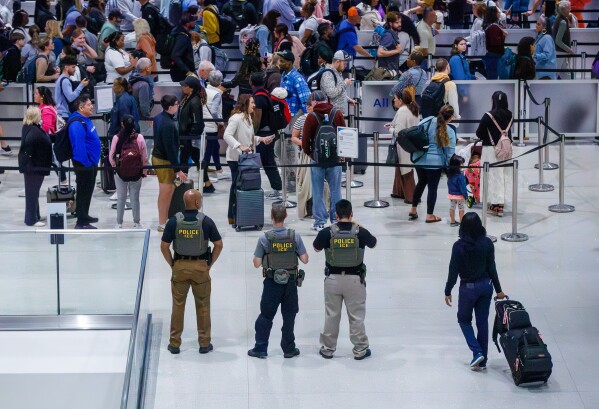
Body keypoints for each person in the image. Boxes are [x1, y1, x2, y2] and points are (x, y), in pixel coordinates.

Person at [160, 189, 224, 355]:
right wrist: (209, 264)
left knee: (178, 306)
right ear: (197, 203)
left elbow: (164, 246)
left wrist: (173, 264)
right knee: (203, 305)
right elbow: (218, 244)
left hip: (179, 266)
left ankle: (174, 344)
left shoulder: (174, 221)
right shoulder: (206, 221)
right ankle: (204, 343)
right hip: (200, 268)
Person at [313, 199, 377, 360]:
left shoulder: (327, 232)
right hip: (355, 280)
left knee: (331, 315)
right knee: (356, 316)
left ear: (335, 214)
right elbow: (373, 243)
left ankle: (327, 348)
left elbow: (316, 248)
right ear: (351, 214)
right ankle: (360, 348)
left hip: (333, 280)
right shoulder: (360, 232)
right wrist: (359, 227)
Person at [445, 212, 506, 370]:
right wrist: (499, 290)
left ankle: (477, 351)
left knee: (464, 320)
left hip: (468, 288)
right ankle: (483, 360)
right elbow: (492, 267)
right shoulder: (487, 243)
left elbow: (453, 271)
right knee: (482, 323)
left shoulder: (458, 247)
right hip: (486, 287)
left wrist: (448, 290)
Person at [247, 203, 309, 359]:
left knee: (266, 316)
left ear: (272, 217)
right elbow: (305, 259)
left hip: (271, 283)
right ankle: (289, 348)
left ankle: (261, 348)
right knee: (289, 316)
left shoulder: (265, 238)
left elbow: (256, 263)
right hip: (290, 283)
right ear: (286, 217)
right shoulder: (295, 236)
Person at [223, 94, 273, 225]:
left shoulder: (248, 118)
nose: (254, 105)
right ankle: (232, 215)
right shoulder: (236, 118)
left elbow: (249, 137)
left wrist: (261, 139)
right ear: (245, 104)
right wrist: (239, 146)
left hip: (247, 158)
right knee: (236, 186)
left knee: (244, 185)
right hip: (235, 158)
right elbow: (226, 135)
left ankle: (242, 214)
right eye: (252, 103)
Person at [301, 90, 345, 231]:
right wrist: (341, 155)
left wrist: (312, 155)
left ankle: (319, 222)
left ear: (313, 102)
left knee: (318, 190)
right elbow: (344, 134)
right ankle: (336, 219)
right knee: (336, 190)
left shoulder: (311, 116)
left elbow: (304, 142)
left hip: (318, 160)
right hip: (335, 159)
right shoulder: (337, 113)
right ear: (326, 100)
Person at [409, 104, 456, 224]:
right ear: (450, 118)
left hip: (419, 159)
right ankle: (429, 215)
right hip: (435, 163)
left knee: (421, 182)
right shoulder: (449, 131)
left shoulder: (427, 120)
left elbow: (416, 131)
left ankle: (413, 209)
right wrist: (448, 167)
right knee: (432, 187)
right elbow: (450, 153)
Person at [152, 95, 188, 232]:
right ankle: (162, 222)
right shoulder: (168, 124)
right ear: (170, 107)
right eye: (177, 104)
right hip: (164, 161)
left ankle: (164, 219)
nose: (178, 106)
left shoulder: (158, 118)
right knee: (165, 192)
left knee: (169, 189)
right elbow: (170, 148)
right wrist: (177, 169)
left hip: (161, 158)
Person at [475, 91, 513, 218]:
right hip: (506, 149)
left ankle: (495, 205)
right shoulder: (510, 115)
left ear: (493, 101)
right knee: (503, 175)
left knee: (491, 176)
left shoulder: (488, 115)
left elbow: (479, 133)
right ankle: (501, 203)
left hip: (490, 149)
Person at [109, 114, 148, 228]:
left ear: (122, 124)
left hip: (120, 173)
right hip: (136, 173)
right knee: (135, 198)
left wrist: (116, 167)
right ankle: (136, 222)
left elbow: (111, 156)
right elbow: (144, 157)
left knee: (121, 198)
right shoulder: (139, 137)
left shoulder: (117, 138)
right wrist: (143, 170)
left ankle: (119, 223)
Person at [69, 95, 101, 229]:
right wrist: (87, 164)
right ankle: (81, 222)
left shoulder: (85, 119)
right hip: (84, 165)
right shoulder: (77, 123)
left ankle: (85, 215)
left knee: (88, 191)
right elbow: (79, 147)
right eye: (88, 104)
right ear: (81, 108)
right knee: (83, 192)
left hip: (91, 163)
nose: (91, 106)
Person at [18, 107, 52, 227]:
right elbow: (29, 148)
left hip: (34, 166)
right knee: (32, 192)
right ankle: (31, 219)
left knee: (34, 192)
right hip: (33, 167)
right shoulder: (33, 131)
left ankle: (34, 215)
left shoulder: (30, 128)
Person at [251, 72, 283, 198]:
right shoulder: (266, 94)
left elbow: (257, 118)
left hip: (264, 133)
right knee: (268, 160)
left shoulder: (258, 98)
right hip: (270, 131)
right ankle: (277, 187)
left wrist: (252, 132)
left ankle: (277, 188)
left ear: (251, 82)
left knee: (266, 161)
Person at [386, 86, 419, 204]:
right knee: (403, 168)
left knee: (406, 171)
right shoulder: (413, 109)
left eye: (395, 98)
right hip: (412, 144)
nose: (393, 100)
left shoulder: (402, 111)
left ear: (401, 100)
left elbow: (398, 132)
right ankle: (398, 192)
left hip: (403, 145)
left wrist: (390, 129)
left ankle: (412, 197)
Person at [202, 70, 224, 177]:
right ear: (219, 82)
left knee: (215, 146)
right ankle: (204, 173)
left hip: (204, 124)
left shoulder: (204, 90)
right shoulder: (217, 94)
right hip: (212, 125)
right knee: (209, 150)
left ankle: (218, 167)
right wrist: (219, 122)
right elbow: (214, 111)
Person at [424, 59, 461, 124]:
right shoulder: (450, 84)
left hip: (434, 119)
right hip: (447, 121)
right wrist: (457, 118)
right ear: (447, 67)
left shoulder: (433, 81)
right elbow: (453, 104)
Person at [320, 50, 356, 117]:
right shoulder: (328, 74)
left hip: (338, 114)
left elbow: (339, 91)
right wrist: (345, 83)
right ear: (338, 61)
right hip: (331, 114)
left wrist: (348, 99)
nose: (346, 66)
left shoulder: (337, 72)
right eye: (344, 63)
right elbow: (332, 93)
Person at [278, 49, 311, 118]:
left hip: (294, 117)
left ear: (289, 63)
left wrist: (308, 118)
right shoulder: (283, 75)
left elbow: (306, 99)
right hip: (285, 115)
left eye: (282, 61)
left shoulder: (297, 78)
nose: (279, 63)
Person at [55, 55, 89, 119]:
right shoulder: (65, 81)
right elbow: (70, 97)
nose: (75, 70)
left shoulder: (62, 79)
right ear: (66, 67)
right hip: (64, 114)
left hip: (63, 113)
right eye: (73, 67)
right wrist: (81, 85)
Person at [170, 11, 197, 82]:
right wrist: (187, 71)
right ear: (187, 23)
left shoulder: (180, 34)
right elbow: (175, 56)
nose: (195, 22)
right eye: (193, 20)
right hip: (181, 74)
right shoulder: (182, 37)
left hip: (180, 72)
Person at [552, 1, 575, 79]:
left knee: (565, 74)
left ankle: (570, 88)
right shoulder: (563, 22)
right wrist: (569, 49)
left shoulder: (558, 18)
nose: (570, 9)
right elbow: (558, 40)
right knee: (556, 74)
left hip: (560, 52)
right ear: (564, 9)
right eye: (569, 8)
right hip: (560, 52)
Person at [483, 6, 507, 79]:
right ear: (494, 14)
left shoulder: (488, 25)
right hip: (494, 56)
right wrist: (503, 36)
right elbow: (495, 42)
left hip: (490, 55)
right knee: (493, 77)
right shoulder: (493, 27)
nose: (499, 13)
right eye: (498, 12)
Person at [447, 154, 468, 227]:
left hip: (451, 195)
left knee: (452, 207)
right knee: (461, 209)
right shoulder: (460, 176)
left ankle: (453, 222)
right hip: (460, 195)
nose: (463, 165)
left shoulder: (450, 175)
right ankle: (462, 223)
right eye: (462, 163)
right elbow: (463, 187)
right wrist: (465, 195)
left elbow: (448, 184)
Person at [533, 16, 557, 80]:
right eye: (536, 23)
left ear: (544, 26)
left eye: (538, 24)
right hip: (540, 71)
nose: (536, 26)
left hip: (546, 73)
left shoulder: (547, 38)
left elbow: (547, 55)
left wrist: (534, 56)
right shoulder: (540, 37)